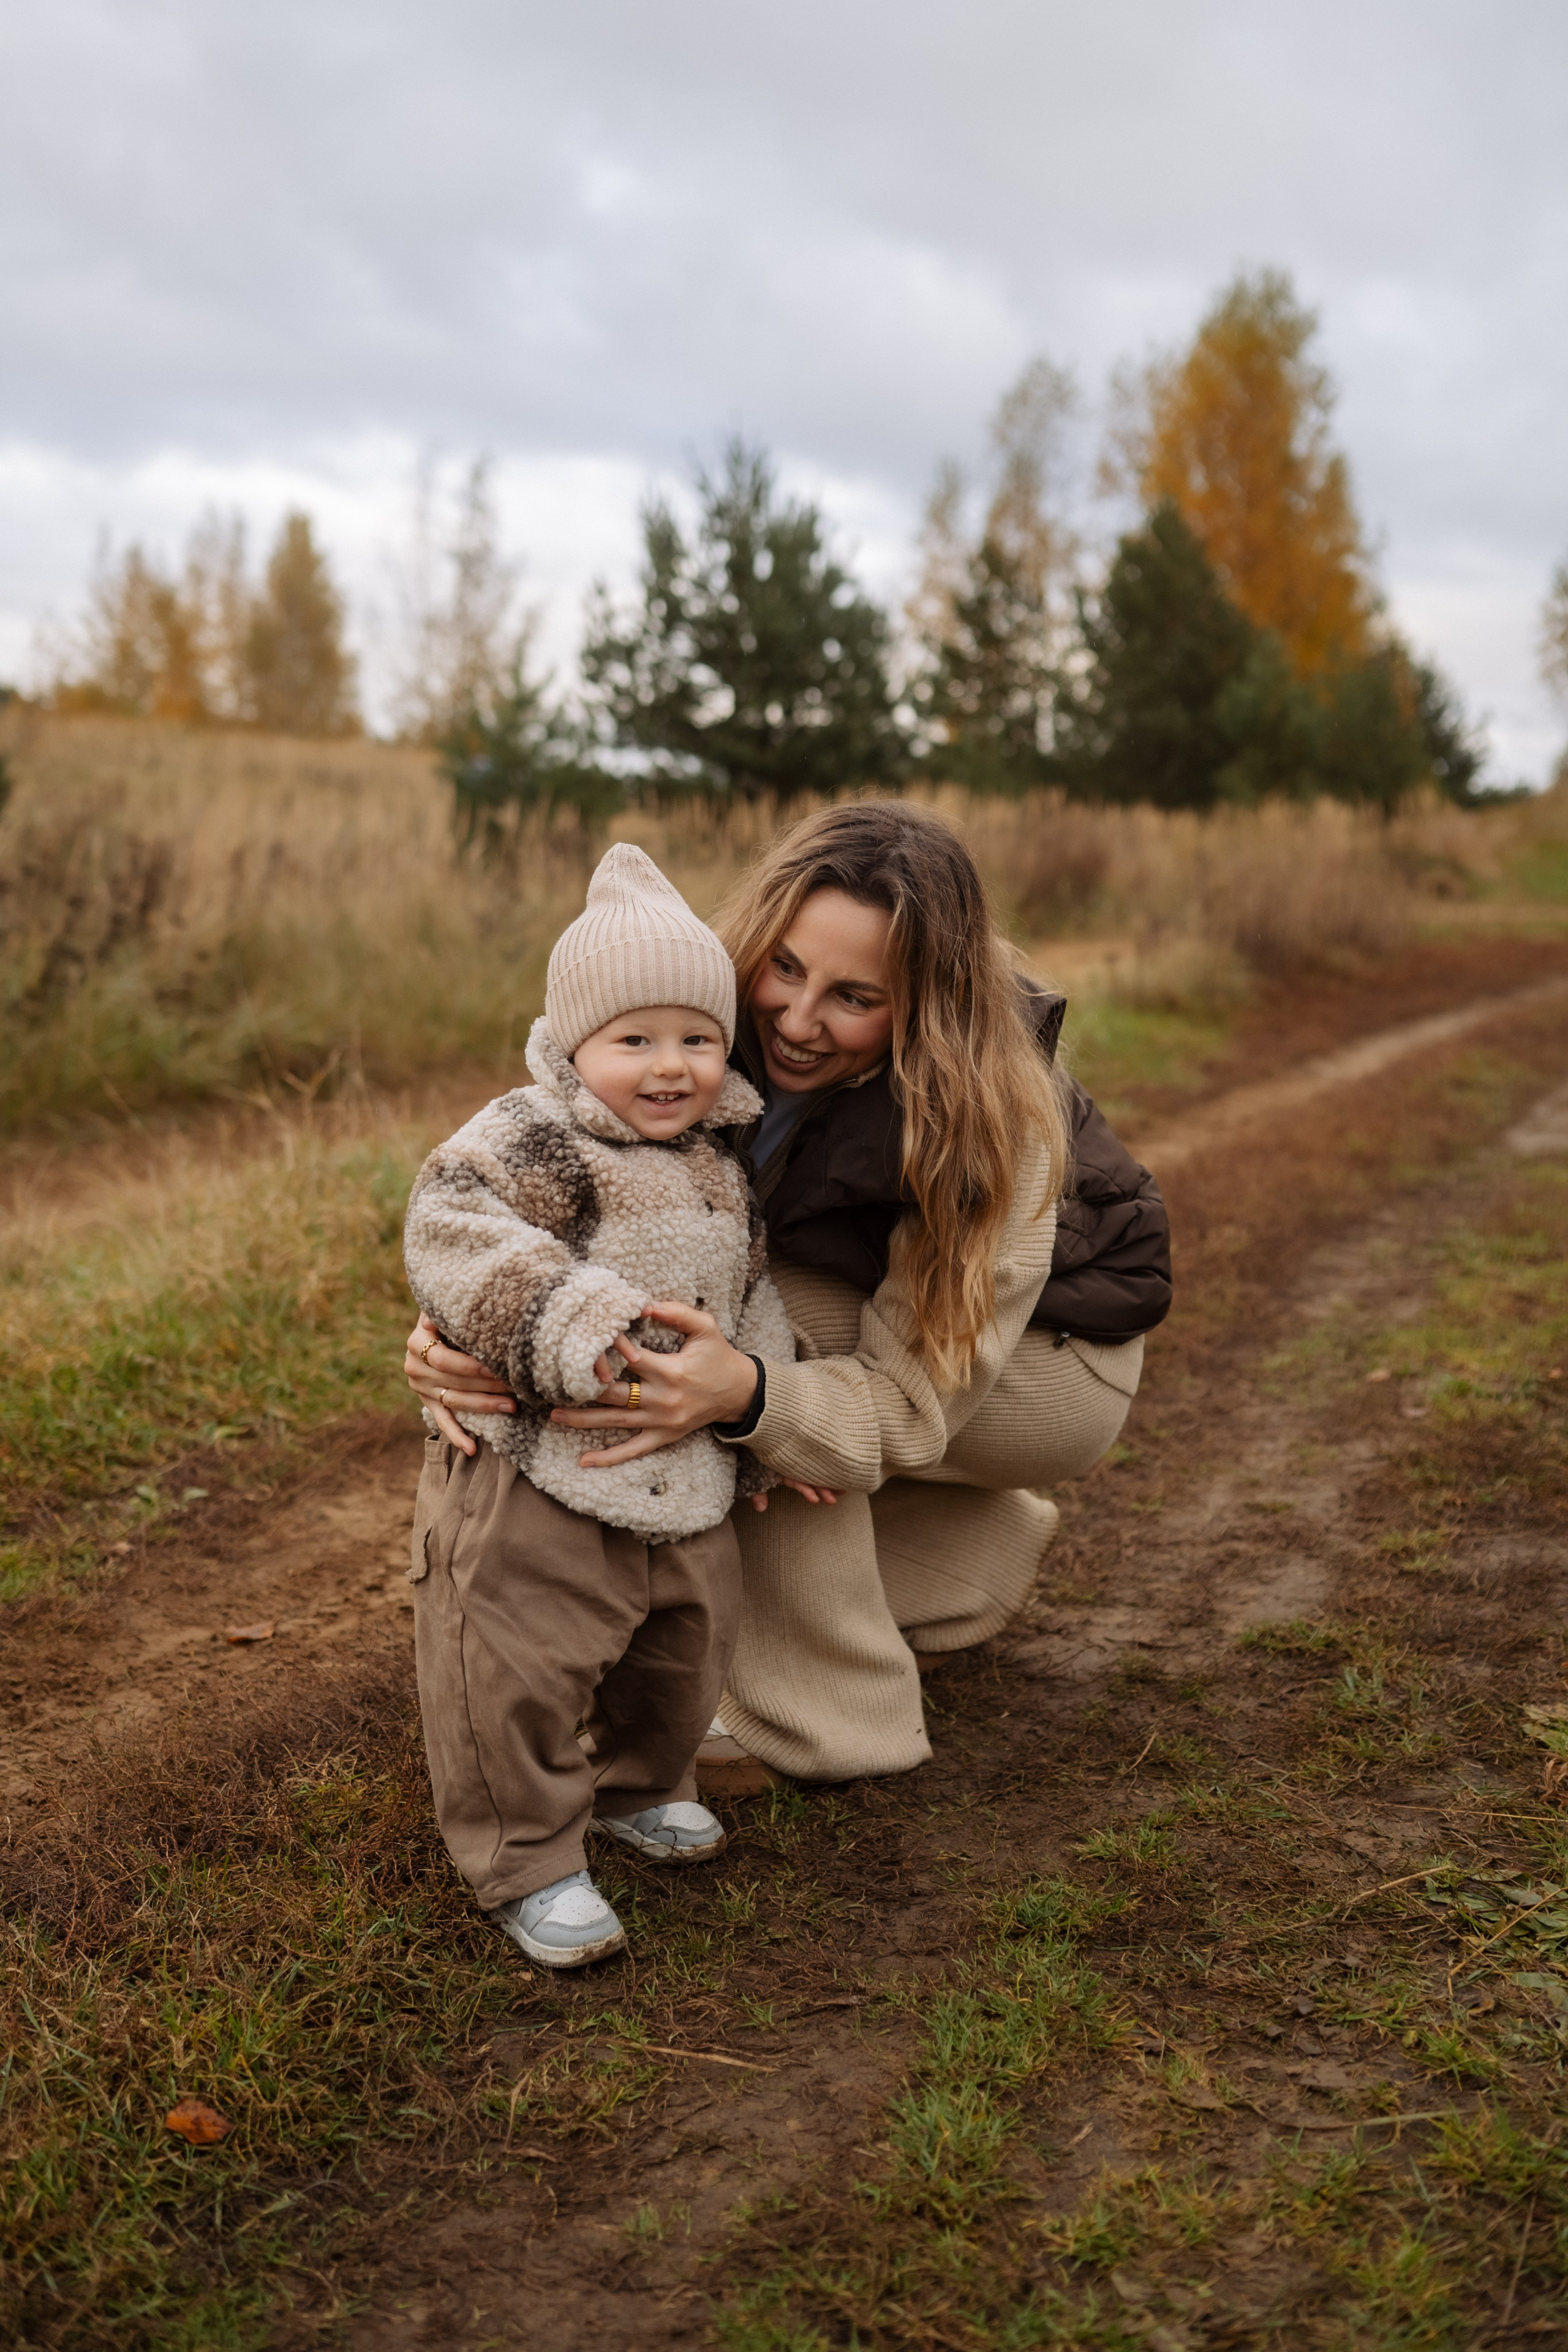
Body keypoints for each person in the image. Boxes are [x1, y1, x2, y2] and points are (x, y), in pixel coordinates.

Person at [407, 802, 1171, 1790]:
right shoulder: (686, 1008)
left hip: (1049, 1364)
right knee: (704, 1322)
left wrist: (753, 1400)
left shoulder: (995, 1119)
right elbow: (547, 1184)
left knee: (739, 1327)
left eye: (856, 998)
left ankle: (805, 1710)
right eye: (787, 970)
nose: (800, 1023)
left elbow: (907, 1402)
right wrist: (459, 1327)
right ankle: (964, 1556)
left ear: (925, 1009)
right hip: (860, 1326)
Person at [402, 843, 796, 1966]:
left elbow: (749, 1300)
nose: (670, 1068)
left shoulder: (724, 1159)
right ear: (573, 1043)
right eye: (636, 1040)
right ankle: (527, 1855)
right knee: (514, 1663)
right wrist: (573, 1320)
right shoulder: (533, 1135)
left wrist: (762, 1437)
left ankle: (640, 1785)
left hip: (684, 1471)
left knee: (685, 1648)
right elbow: (451, 1228)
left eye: (697, 1039)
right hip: (540, 1468)